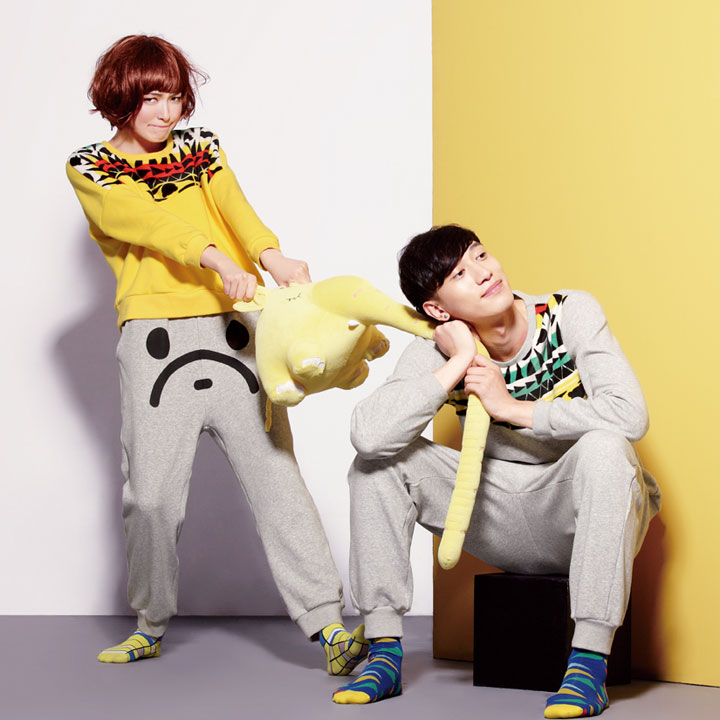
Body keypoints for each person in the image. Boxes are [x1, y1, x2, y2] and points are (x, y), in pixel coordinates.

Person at [66, 35, 367, 674]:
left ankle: (328, 626)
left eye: (174, 97)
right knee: (151, 496)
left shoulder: (201, 148)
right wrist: (216, 260)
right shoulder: (91, 167)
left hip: (235, 331)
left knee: (277, 479)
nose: (165, 112)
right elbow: (146, 222)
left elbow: (236, 207)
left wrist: (270, 255)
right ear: (120, 96)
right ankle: (149, 623)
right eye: (150, 97)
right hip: (154, 340)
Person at [332, 224, 661, 717]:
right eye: (460, 275)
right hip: (497, 514)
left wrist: (512, 408)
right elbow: (369, 435)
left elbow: (629, 415)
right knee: (375, 465)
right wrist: (460, 360)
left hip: (579, 508)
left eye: (480, 256)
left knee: (606, 448)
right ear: (438, 310)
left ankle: (588, 667)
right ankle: (384, 653)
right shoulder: (437, 348)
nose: (484, 273)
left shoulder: (567, 312)